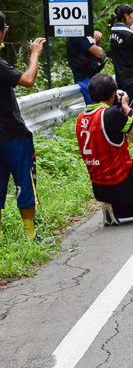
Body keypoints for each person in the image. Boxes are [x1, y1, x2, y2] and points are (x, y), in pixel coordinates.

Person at [76, 73, 133, 223]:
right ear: (113, 95)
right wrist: (126, 107)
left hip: (99, 189)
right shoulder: (110, 114)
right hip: (119, 184)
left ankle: (113, 210)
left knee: (131, 165)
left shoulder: (81, 118)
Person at [0, 14, 54, 245]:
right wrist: (34, 53)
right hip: (12, 134)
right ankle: (32, 236)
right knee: (24, 181)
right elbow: (29, 80)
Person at [109, 4, 133, 109]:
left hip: (119, 75)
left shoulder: (112, 32)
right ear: (126, 16)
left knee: (121, 106)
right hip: (132, 76)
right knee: (132, 108)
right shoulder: (130, 35)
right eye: (132, 15)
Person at [65, 31, 106, 105]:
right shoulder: (78, 34)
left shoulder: (84, 33)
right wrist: (94, 42)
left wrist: (97, 40)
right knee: (96, 109)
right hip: (84, 78)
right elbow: (99, 53)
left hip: (91, 77)